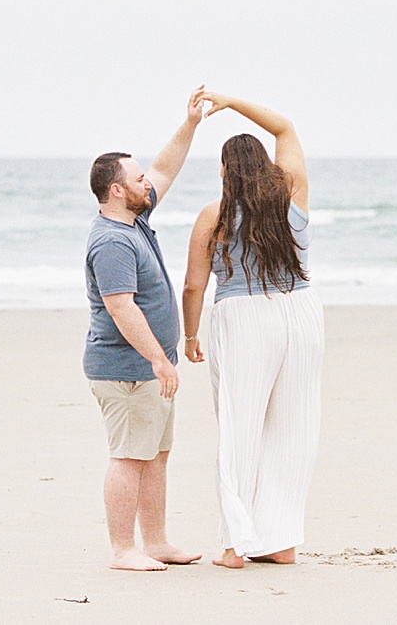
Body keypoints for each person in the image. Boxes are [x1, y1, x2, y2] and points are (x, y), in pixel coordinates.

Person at [181, 92, 325, 569]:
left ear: (225, 171)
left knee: (240, 429)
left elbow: (193, 286)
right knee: (292, 429)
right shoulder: (293, 189)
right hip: (301, 312)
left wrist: (191, 336)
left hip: (243, 317)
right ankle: (281, 541)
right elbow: (284, 126)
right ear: (264, 163)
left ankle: (235, 545)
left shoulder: (214, 215)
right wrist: (231, 101)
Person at [84, 87, 205, 571]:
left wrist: (190, 123)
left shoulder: (135, 218)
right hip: (127, 369)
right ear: (117, 189)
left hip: (152, 367)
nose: (146, 183)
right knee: (129, 457)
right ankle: (122, 550)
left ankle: (154, 542)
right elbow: (121, 309)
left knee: (155, 455)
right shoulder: (112, 241)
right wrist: (157, 357)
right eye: (136, 178)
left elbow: (166, 168)